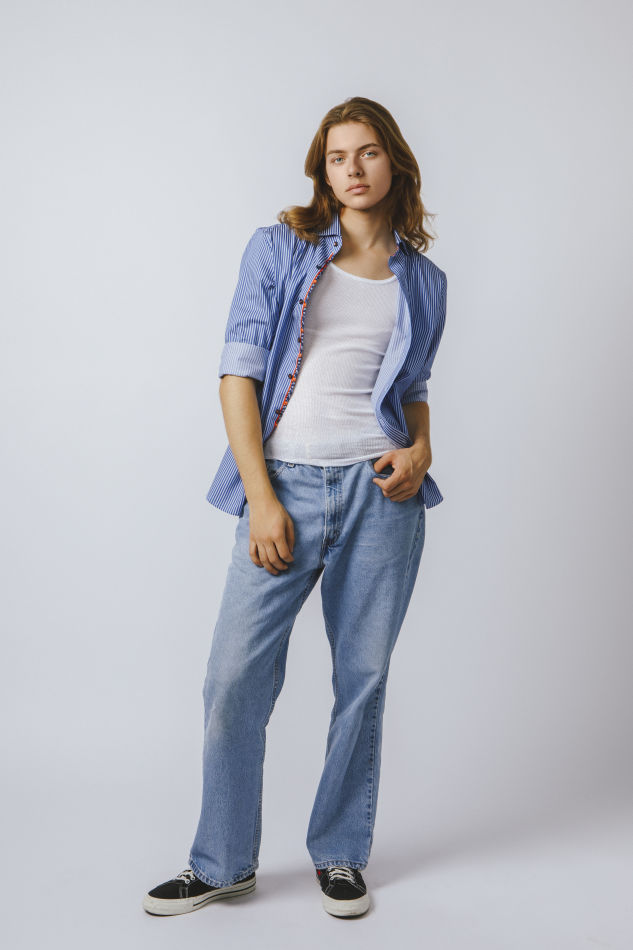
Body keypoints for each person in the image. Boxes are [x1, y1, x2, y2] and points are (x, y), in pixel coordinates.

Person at [142, 95, 448, 920]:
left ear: (394, 162)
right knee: (233, 679)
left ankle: (340, 854)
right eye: (337, 157)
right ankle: (221, 863)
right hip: (284, 486)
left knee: (362, 680)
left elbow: (412, 387)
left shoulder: (425, 281)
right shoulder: (278, 249)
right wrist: (262, 498)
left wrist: (420, 448)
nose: (353, 169)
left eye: (367, 152)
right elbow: (237, 374)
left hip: (381, 496)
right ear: (323, 171)